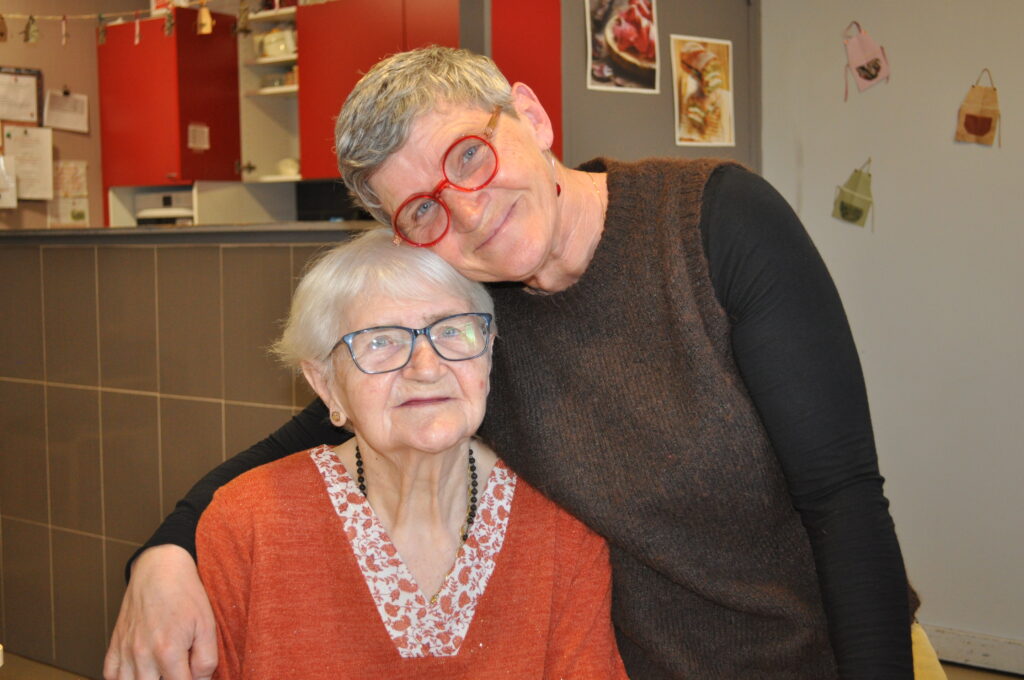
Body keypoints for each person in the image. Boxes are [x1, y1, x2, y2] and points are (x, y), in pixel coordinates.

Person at [106, 46, 923, 680]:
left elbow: (844, 499)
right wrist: (165, 553)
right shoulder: (467, 330)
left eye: (468, 156)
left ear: (530, 117)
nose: (468, 212)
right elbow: (306, 436)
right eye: (423, 209)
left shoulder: (714, 222)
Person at [194, 228, 627, 679]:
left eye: (452, 330)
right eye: (381, 341)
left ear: (488, 354)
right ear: (326, 385)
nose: (426, 367)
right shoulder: (248, 523)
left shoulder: (562, 532)